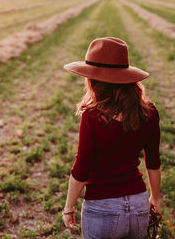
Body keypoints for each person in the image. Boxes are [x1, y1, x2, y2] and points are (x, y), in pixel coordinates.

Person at [61, 37, 161, 239]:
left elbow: (82, 168)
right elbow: (153, 162)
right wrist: (155, 198)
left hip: (102, 208)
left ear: (94, 80)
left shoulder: (93, 116)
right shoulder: (148, 112)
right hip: (139, 204)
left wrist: (68, 207)